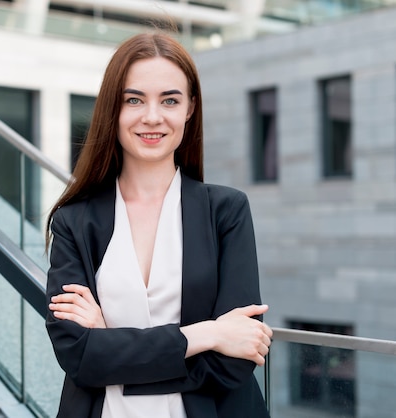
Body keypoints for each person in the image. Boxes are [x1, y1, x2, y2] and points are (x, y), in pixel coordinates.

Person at [44, 32, 272, 418]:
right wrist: (209, 334)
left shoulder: (227, 211)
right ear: (112, 110)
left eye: (170, 100)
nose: (152, 116)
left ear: (189, 108)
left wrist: (111, 346)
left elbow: (234, 363)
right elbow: (78, 356)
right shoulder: (74, 221)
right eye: (134, 100)